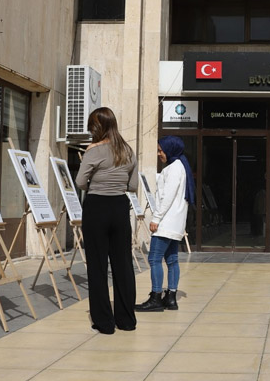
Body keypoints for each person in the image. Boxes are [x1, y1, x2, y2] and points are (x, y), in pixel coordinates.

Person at [75, 107, 138, 334]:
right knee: (123, 264)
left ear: (98, 126)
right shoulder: (128, 150)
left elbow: (81, 181)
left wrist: (97, 180)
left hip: (97, 207)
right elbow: (132, 186)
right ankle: (127, 320)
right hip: (120, 207)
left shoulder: (94, 150)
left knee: (98, 265)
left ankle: (104, 322)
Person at [136, 136, 194, 312]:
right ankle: (171, 298)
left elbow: (166, 197)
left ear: (170, 149)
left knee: (154, 258)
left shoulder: (174, 168)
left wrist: (156, 219)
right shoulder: (180, 166)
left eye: (161, 150)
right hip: (174, 222)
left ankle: (156, 297)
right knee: (171, 259)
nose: (159, 153)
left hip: (166, 222)